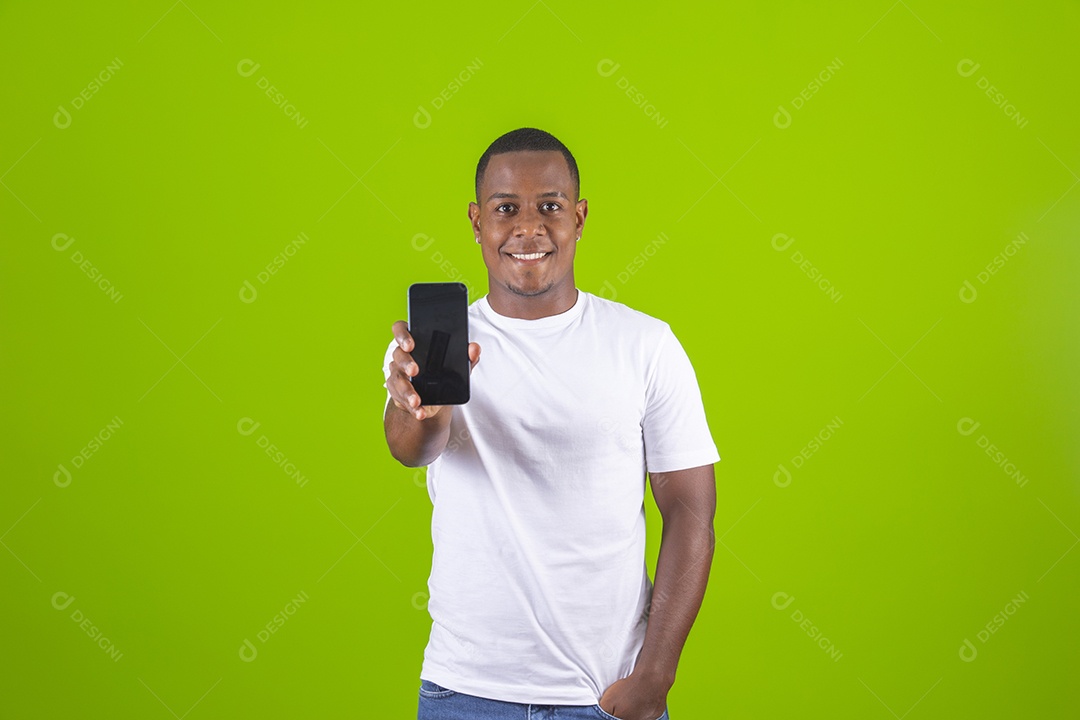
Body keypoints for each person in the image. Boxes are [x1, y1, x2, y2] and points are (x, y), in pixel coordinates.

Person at [383, 127, 720, 720]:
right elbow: (413, 449)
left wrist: (654, 678)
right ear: (476, 220)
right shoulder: (430, 346)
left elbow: (691, 513)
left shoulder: (645, 344)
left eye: (551, 207)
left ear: (580, 218)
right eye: (506, 208)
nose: (528, 227)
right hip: (465, 693)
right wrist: (421, 406)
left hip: (606, 695)